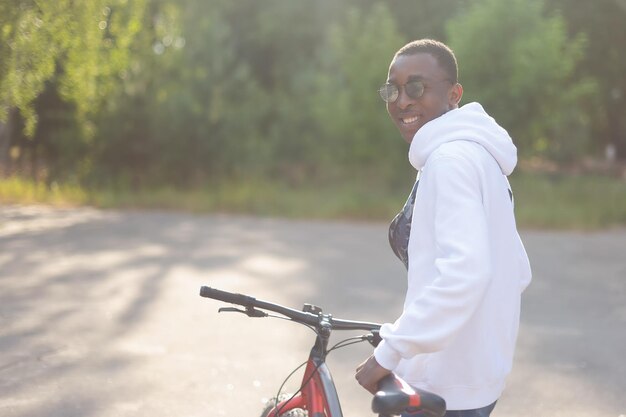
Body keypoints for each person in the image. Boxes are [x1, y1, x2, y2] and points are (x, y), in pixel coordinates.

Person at [355, 39, 532, 417]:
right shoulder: (479, 155)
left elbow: (464, 274)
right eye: (392, 89)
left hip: (446, 383)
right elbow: (516, 267)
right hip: (477, 375)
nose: (401, 100)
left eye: (416, 87)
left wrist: (392, 350)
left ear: (454, 93)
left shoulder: (450, 161)